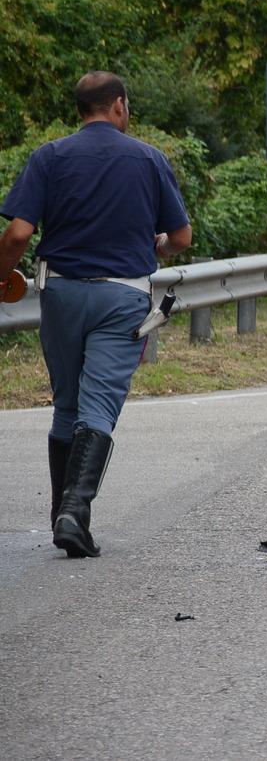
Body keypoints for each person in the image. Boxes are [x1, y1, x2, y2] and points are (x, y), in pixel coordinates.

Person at [0, 71, 192, 558]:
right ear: (120, 106)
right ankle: (73, 512)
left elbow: (19, 235)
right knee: (99, 405)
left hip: (60, 294)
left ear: (80, 110)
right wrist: (160, 245)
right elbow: (182, 238)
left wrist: (1, 275)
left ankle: (61, 516)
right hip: (122, 299)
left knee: (67, 403)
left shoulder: (49, 156)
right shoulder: (149, 158)